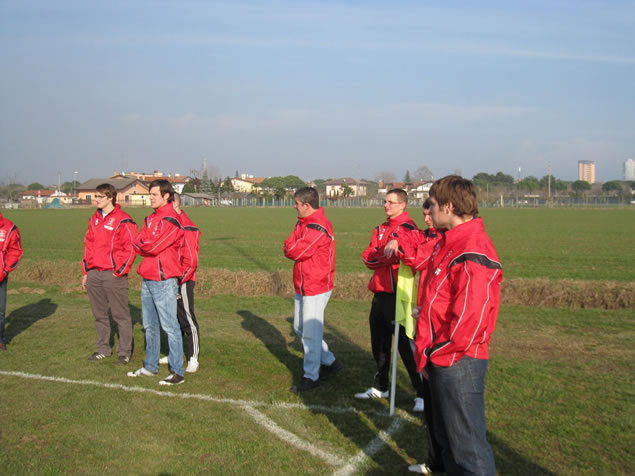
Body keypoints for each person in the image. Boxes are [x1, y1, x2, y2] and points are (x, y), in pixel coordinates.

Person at [414, 175, 502, 476]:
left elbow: (471, 318)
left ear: (449, 206)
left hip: (458, 360)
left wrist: (438, 353)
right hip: (441, 356)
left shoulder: (472, 248)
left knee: (468, 449)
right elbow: (444, 300)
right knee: (448, 444)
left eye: (432, 204)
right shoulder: (449, 242)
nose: (428, 211)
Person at [356, 188, 426, 412]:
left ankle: (422, 393)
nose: (386, 205)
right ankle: (380, 386)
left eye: (391, 202)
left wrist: (385, 255)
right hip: (379, 292)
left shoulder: (409, 228)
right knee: (379, 343)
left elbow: (400, 255)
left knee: (406, 345)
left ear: (402, 205)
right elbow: (368, 258)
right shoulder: (380, 229)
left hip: (398, 294)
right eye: (385, 201)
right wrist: (383, 256)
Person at [128, 179, 186, 386]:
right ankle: (150, 366)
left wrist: (146, 244)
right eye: (149, 194)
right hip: (147, 277)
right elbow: (136, 243)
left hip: (164, 280)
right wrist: (146, 244)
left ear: (166, 196)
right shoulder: (149, 219)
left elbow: (153, 247)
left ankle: (177, 371)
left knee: (170, 326)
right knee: (149, 325)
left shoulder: (172, 220)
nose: (150, 198)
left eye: (154, 195)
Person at [283, 187, 340, 393]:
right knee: (300, 327)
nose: (294, 206)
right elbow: (291, 245)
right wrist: (291, 247)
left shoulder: (318, 226)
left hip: (316, 285)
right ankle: (330, 361)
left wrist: (291, 247)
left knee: (310, 332)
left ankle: (311, 376)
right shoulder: (303, 222)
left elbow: (296, 250)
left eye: (297, 203)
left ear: (307, 205)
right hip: (303, 283)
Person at [81, 183, 137, 364]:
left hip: (113, 275)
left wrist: (119, 271)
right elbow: (88, 246)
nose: (96, 200)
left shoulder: (124, 220)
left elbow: (130, 248)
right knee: (100, 315)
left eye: (100, 197)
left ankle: (124, 351)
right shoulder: (94, 219)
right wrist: (86, 272)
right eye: (95, 196)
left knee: (120, 316)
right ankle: (103, 349)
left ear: (110, 198)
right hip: (94, 274)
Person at [159, 192, 201, 373]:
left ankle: (193, 357)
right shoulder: (167, 223)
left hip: (182, 280)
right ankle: (174, 353)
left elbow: (191, 260)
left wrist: (178, 281)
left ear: (175, 204)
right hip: (167, 279)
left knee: (186, 319)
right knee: (171, 319)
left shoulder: (187, 227)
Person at [0, 212, 23, 351]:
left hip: (0, 276)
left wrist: (5, 269)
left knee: (0, 312)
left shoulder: (9, 227)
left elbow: (15, 250)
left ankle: (0, 340)